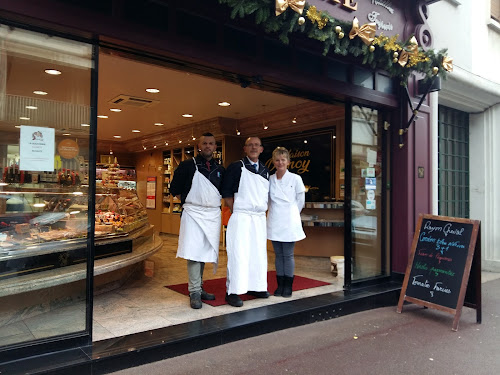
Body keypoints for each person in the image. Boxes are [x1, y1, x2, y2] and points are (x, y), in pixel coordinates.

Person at [170, 133, 225, 309]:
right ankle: (194, 291)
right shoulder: (187, 165)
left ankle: (199, 288)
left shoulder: (219, 169)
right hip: (193, 213)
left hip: (212, 216)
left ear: (215, 147)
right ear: (198, 146)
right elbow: (175, 189)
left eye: (211, 143)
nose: (208, 146)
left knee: (204, 253)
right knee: (194, 252)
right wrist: (191, 202)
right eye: (205, 143)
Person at [221, 136, 270, 307]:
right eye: (250, 145)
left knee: (258, 254)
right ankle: (232, 291)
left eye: (257, 145)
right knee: (238, 254)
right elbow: (226, 192)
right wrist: (237, 210)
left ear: (262, 149)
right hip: (241, 216)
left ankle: (256, 286)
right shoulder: (236, 167)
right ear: (245, 148)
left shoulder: (265, 170)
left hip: (258, 218)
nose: (254, 148)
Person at [267, 147, 306, 297]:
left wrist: (292, 215)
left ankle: (288, 286)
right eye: (277, 160)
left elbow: (300, 201)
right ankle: (280, 285)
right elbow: (269, 201)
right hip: (275, 219)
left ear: (288, 162)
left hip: (289, 220)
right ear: (274, 162)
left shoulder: (296, 179)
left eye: (283, 159)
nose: (280, 162)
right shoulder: (270, 179)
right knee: (278, 254)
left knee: (288, 255)